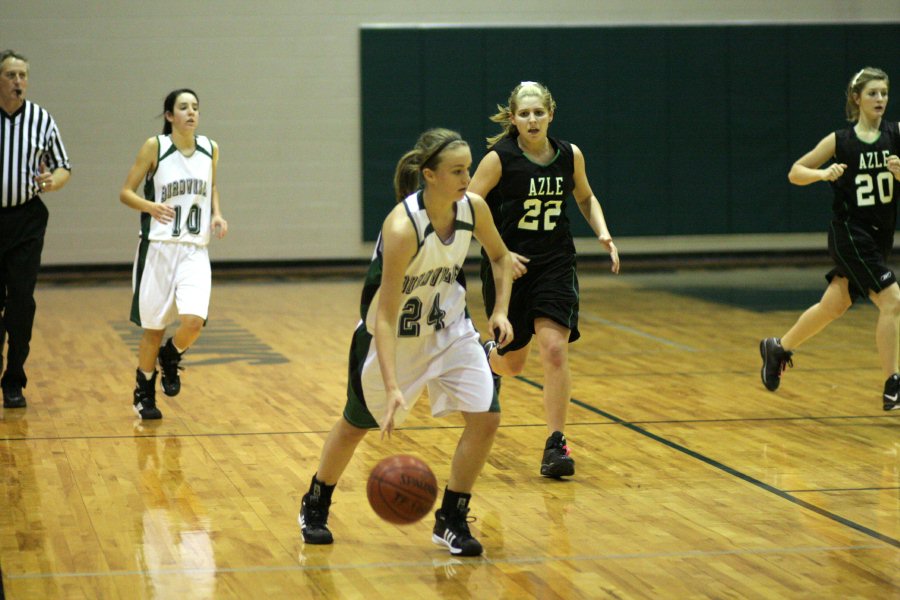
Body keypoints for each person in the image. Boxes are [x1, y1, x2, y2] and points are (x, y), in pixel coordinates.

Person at [298, 128, 514, 557]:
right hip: (393, 340)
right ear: (429, 175)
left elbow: (502, 257)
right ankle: (316, 500)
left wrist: (500, 311)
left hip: (450, 329)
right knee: (355, 426)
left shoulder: (473, 209)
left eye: (468, 168)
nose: (467, 178)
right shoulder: (402, 227)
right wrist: (395, 385)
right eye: (457, 170)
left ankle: (451, 518)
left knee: (486, 417)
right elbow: (383, 315)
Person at [467, 81, 620, 478]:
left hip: (555, 261)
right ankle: (489, 359)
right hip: (509, 268)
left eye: (538, 113)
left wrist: (602, 231)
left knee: (554, 349)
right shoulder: (498, 159)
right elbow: (469, 206)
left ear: (551, 114)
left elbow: (584, 197)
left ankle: (556, 444)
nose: (532, 120)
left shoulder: (570, 155)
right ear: (512, 118)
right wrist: (499, 250)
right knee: (513, 364)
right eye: (524, 114)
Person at [759, 67, 900, 410]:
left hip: (879, 236)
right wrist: (823, 173)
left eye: (883, 93)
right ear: (857, 98)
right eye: (872, 93)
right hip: (850, 233)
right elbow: (795, 171)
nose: (880, 99)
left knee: (835, 304)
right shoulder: (840, 140)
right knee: (893, 300)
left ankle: (778, 347)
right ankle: (893, 384)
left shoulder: (896, 135)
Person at [119, 88, 228, 420]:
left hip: (195, 248)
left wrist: (217, 214)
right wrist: (150, 206)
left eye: (195, 107)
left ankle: (172, 355)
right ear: (170, 116)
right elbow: (125, 192)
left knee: (194, 321)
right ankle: (144, 392)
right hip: (159, 248)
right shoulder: (156, 147)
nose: (191, 112)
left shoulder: (211, 148)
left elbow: (212, 187)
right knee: (153, 328)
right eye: (183, 107)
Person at [0, 50, 71, 409]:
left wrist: (51, 183)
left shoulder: (41, 119)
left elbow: (63, 167)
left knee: (21, 303)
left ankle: (14, 378)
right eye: (11, 75)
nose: (18, 82)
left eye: (22, 75)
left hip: (26, 219)